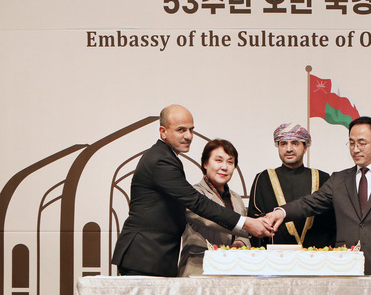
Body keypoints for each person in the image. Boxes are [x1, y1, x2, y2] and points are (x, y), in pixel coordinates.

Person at [111, 104, 272, 277]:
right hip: (144, 255)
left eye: (191, 130)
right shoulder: (161, 161)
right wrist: (246, 224)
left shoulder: (167, 157)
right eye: (181, 130)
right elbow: (196, 202)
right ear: (163, 131)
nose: (188, 136)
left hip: (156, 256)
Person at [266, 117, 371, 279]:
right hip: (344, 265)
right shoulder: (339, 179)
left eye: (362, 143)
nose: (355, 149)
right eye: (351, 143)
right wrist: (282, 212)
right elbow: (309, 203)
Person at [248, 123, 335, 248]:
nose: (289, 149)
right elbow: (254, 221)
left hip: (316, 258)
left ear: (305, 147)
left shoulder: (322, 178)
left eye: (295, 143)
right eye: (283, 143)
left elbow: (331, 222)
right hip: (274, 259)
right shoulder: (263, 178)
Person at [178, 139, 250, 276]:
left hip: (233, 270)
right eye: (218, 160)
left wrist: (240, 243)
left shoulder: (236, 198)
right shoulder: (194, 195)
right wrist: (248, 226)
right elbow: (212, 220)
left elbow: (245, 233)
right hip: (199, 269)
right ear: (205, 163)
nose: (224, 167)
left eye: (230, 162)